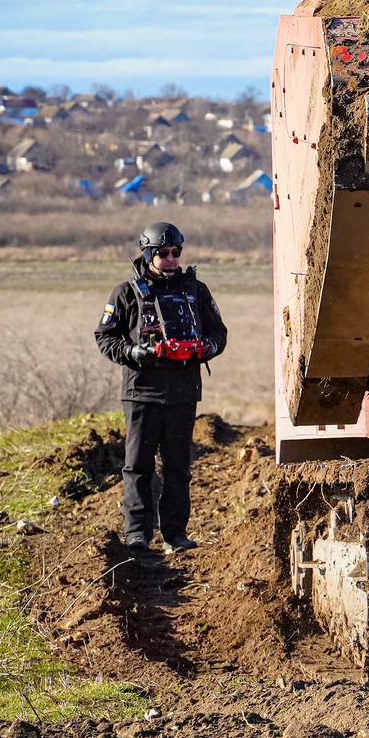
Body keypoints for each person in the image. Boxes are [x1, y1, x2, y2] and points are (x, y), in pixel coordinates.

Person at [94, 221, 227, 552]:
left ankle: (175, 533)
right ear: (149, 254)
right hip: (142, 393)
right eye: (163, 253)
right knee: (138, 466)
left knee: (178, 467)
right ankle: (137, 532)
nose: (171, 259)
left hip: (183, 393)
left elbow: (218, 332)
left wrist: (207, 348)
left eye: (176, 252)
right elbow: (105, 336)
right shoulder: (126, 292)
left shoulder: (197, 290)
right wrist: (133, 352)